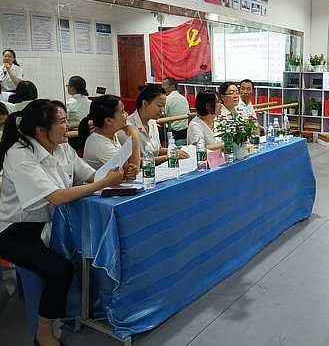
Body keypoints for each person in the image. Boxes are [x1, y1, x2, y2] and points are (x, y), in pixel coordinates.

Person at [0, 99, 128, 346]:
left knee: (90, 249)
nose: (68, 125)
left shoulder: (62, 147)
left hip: (53, 222)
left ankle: (88, 308)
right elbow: (57, 197)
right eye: (62, 121)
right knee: (60, 270)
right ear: (41, 130)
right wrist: (104, 183)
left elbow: (91, 176)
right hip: (16, 231)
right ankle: (43, 333)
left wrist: (116, 177)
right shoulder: (20, 155)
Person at [118, 84, 189, 165]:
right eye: (159, 106)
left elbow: (158, 150)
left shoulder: (152, 122)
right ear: (145, 103)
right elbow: (133, 162)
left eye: (163, 106)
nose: (162, 110)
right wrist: (168, 156)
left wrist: (175, 150)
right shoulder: (127, 128)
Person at [79, 95, 141, 172]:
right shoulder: (100, 144)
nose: (127, 114)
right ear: (108, 121)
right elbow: (131, 172)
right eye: (122, 112)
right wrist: (135, 138)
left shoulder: (112, 134)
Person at [161, 77, 190, 146]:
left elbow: (161, 114)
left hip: (172, 133)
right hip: (184, 133)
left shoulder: (168, 99)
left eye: (164, 85)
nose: (162, 88)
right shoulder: (184, 98)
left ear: (172, 87)